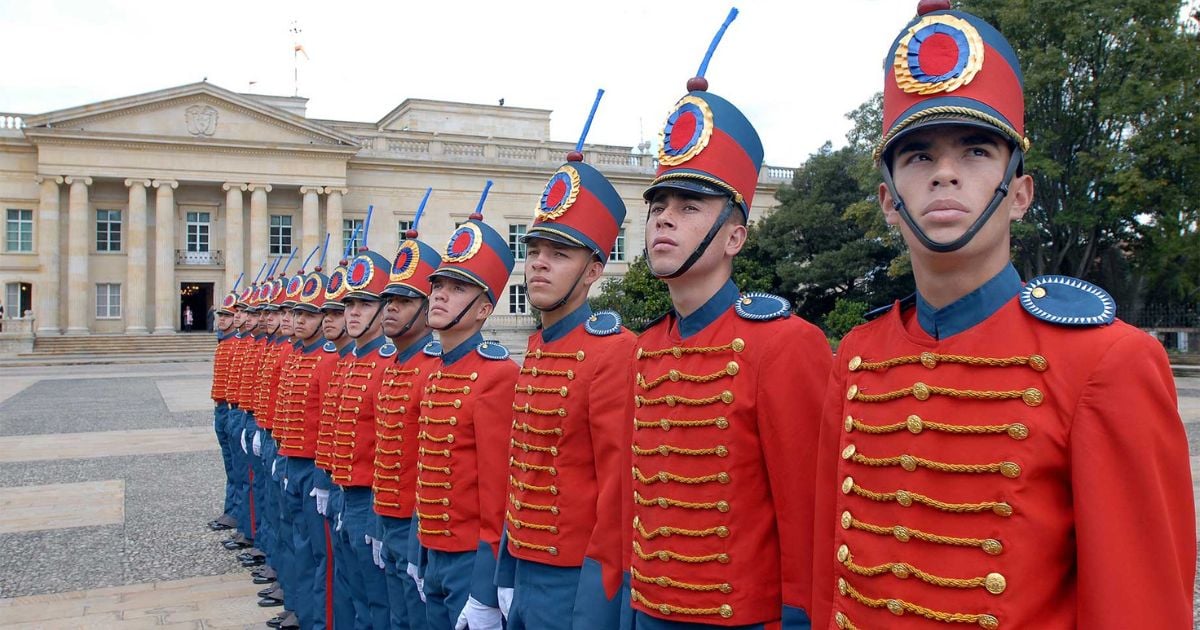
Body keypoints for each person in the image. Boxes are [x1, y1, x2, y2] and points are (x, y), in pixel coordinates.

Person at [809, 2, 1196, 628]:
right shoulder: (858, 356)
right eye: (917, 157)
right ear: (887, 199)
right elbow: (833, 575)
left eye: (976, 151)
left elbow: (1139, 605)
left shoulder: (1107, 361)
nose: (945, 175)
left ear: (1020, 193)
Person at [628, 9, 833, 628]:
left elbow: (807, 517)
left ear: (735, 236)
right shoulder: (648, 347)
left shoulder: (785, 345)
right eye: (658, 204)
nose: (664, 218)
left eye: (690, 206)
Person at [493, 93, 636, 630]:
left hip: (575, 579)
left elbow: (616, 498)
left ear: (594, 270)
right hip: (525, 569)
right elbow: (523, 471)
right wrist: (504, 574)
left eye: (559, 254)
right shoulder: (536, 347)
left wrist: (597, 610)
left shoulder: (615, 351)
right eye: (534, 252)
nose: (539, 266)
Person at [413, 182, 519, 630]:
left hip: (468, 565)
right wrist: (422, 555)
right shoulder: (436, 369)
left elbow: (497, 498)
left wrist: (484, 591)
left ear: (482, 310)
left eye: (457, 289)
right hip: (433, 553)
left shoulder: (497, 376)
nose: (438, 294)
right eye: (437, 285)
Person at [372, 190, 443, 630]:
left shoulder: (433, 369)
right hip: (384, 510)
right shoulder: (394, 366)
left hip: (420, 523)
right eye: (388, 301)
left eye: (402, 302)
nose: (389, 310)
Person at [207, 277, 244, 533]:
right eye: (220, 316)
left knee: (238, 468)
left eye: (227, 316)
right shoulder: (224, 345)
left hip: (234, 409)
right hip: (222, 407)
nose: (222, 320)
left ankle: (236, 513)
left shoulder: (237, 346)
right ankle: (231, 510)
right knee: (230, 466)